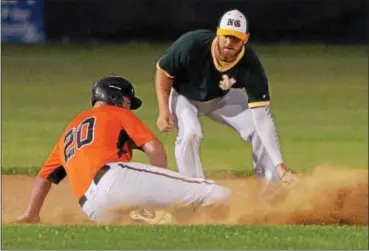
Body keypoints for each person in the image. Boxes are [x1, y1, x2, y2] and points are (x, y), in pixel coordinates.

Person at [15, 75, 231, 225]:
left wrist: (31, 214)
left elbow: (45, 177)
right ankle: (249, 214)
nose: (128, 106)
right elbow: (154, 148)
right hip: (113, 180)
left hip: (94, 209)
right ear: (114, 97)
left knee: (165, 224)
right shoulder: (115, 113)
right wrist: (162, 181)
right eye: (128, 101)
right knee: (211, 193)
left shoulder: (68, 133)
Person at [155, 9, 296, 185]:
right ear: (218, 33)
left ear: (246, 38)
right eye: (225, 36)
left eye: (235, 38)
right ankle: (194, 190)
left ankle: (270, 189)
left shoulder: (251, 66)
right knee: (190, 133)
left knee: (258, 129)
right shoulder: (193, 43)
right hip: (185, 97)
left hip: (222, 97)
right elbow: (163, 71)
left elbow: (263, 119)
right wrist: (163, 110)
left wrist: (280, 166)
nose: (229, 42)